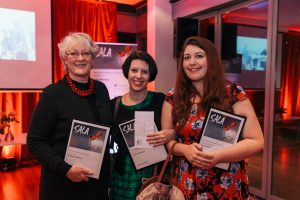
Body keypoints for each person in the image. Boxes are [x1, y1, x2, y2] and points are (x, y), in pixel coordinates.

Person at [162, 36, 264, 199]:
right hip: (186, 185)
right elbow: (168, 142)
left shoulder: (232, 94)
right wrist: (185, 150)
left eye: (199, 56)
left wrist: (217, 157)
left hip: (226, 185)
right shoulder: (172, 98)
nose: (192, 62)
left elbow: (256, 141)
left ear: (211, 60)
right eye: (187, 58)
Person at [27, 32, 112, 200]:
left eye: (85, 53)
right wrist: (65, 169)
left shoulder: (101, 89)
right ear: (65, 59)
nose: (80, 58)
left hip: (96, 185)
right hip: (62, 185)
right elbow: (35, 141)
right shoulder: (53, 93)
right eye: (73, 53)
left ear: (92, 58)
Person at [109, 51, 175, 199]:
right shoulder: (115, 105)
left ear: (150, 75)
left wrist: (171, 133)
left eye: (144, 72)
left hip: (153, 177)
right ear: (127, 72)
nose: (138, 76)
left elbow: (177, 130)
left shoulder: (160, 101)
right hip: (121, 178)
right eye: (134, 70)